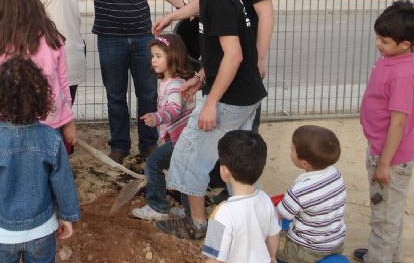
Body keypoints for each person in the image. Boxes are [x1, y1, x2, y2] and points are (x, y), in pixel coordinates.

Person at [12, 0, 185, 164]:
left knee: (148, 93)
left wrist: (183, 8)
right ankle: (120, 145)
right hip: (109, 38)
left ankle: (148, 145)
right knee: (115, 96)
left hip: (141, 37)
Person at [153, 0, 274, 204]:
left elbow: (264, 15)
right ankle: (237, 198)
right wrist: (173, 17)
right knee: (230, 146)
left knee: (207, 148)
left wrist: (259, 57)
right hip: (224, 69)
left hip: (237, 75)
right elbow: (202, 3)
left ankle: (200, 215)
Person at [0, 56, 80, 263]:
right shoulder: (51, 138)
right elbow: (63, 181)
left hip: (1, 233)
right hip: (42, 230)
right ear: (41, 98)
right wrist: (67, 216)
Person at [0, 0, 77, 148]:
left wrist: (2, 85)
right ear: (34, 2)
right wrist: (68, 121)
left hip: (7, 122)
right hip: (50, 122)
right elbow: (64, 85)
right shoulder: (51, 38)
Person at [354, 0, 414, 263]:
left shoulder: (403, 75)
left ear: (405, 45)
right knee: (388, 213)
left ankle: (380, 256)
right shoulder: (394, 57)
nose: (378, 44)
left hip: (390, 158)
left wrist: (384, 163)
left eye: (384, 41)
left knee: (384, 219)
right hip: (380, 148)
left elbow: (398, 122)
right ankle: (385, 255)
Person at [131, 34, 194, 220]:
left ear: (173, 57)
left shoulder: (175, 85)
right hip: (183, 138)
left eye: (158, 56)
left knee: (153, 162)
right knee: (183, 172)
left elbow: (174, 110)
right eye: (152, 56)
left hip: (182, 139)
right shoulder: (168, 81)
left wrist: (157, 117)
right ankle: (190, 212)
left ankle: (157, 207)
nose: (154, 60)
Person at [14, 0, 86, 103]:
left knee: (45, 120)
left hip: (50, 64)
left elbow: (24, 23)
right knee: (64, 117)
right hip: (73, 59)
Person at [202, 130, 280, 263]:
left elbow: (214, 260)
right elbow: (273, 234)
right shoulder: (265, 199)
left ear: (224, 171)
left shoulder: (223, 213)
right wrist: (271, 256)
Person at [276, 125, 347, 263]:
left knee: (269, 238)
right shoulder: (336, 174)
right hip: (336, 244)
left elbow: (278, 215)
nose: (289, 152)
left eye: (292, 150)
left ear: (304, 163)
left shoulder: (300, 190)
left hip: (305, 250)